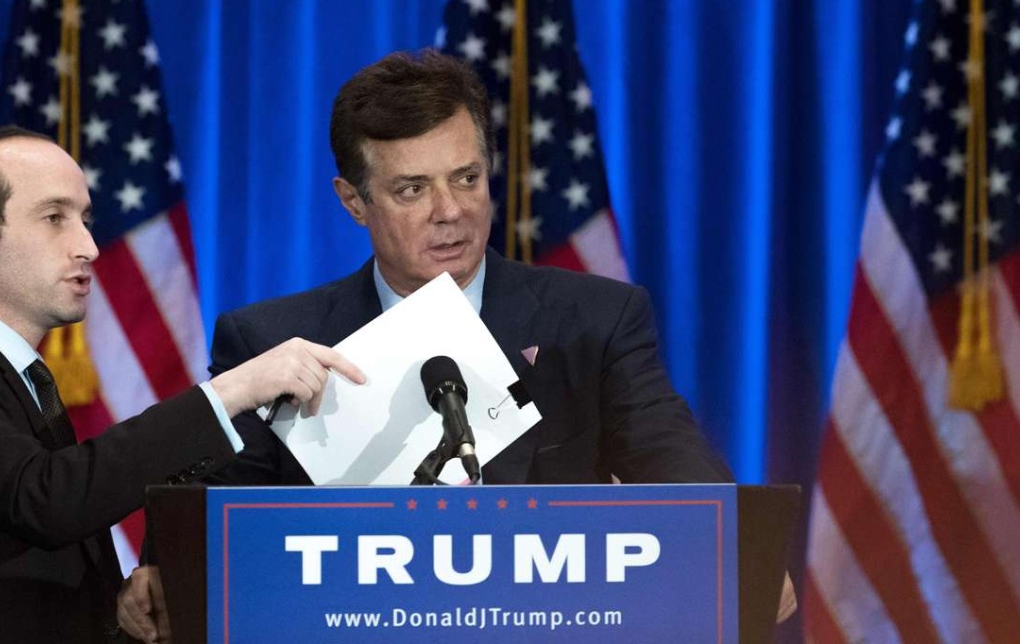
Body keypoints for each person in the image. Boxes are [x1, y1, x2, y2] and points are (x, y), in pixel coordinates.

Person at [118, 49, 733, 641]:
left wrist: (737, 556)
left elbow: (670, 456)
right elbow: (208, 513)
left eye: (467, 178)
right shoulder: (271, 340)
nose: (451, 211)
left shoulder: (595, 319)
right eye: (412, 189)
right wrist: (166, 574)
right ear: (353, 201)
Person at [0, 125, 365, 643]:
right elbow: (46, 500)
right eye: (54, 218)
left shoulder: (26, 378)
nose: (89, 247)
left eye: (85, 220)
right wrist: (233, 391)